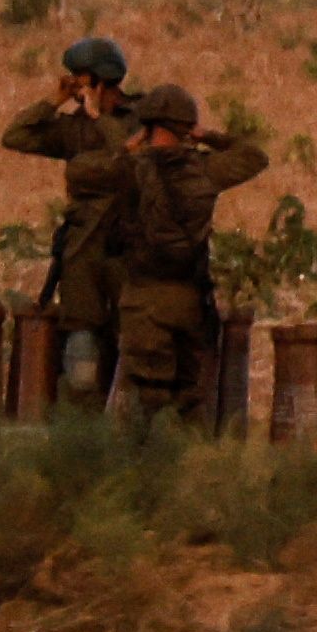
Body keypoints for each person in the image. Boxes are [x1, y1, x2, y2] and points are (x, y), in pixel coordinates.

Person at [63, 84, 266, 429]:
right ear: (187, 127)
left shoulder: (129, 169)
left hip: (143, 300)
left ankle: (151, 459)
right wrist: (208, 136)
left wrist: (126, 147)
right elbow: (254, 157)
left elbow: (78, 173)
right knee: (190, 398)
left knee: (146, 400)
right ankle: (191, 458)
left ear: (147, 126)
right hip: (190, 300)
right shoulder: (205, 169)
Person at [0, 34, 131, 408]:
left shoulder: (137, 119)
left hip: (127, 246)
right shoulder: (75, 128)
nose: (76, 86)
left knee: (132, 338)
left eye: (82, 79)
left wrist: (101, 118)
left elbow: (130, 158)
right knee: (81, 338)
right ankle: (81, 422)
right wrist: (52, 102)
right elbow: (15, 136)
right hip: (83, 248)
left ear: (102, 80)